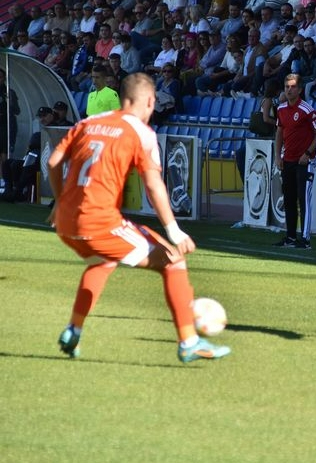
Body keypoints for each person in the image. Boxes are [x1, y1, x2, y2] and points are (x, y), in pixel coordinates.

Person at [47, 73, 230, 363]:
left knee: (102, 262)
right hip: (99, 223)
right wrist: (174, 230)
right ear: (148, 101)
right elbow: (154, 184)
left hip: (66, 223)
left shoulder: (88, 123)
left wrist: (59, 202)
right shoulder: (141, 133)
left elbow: (53, 161)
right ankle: (189, 342)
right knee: (173, 260)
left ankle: (73, 330)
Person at [273, 73, 316, 249]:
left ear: (300, 89)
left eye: (293, 86)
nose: (289, 89)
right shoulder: (280, 109)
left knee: (304, 200)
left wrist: (308, 153)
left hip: (305, 161)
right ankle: (290, 237)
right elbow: (279, 133)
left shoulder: (307, 110)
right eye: (287, 86)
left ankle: (305, 239)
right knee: (288, 199)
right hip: (287, 160)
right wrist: (277, 156)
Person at [1, 107, 51, 203]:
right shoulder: (40, 129)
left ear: (50, 115)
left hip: (45, 162)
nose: (42, 119)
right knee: (8, 163)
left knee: (31, 158)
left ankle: (18, 191)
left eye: (44, 116)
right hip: (34, 159)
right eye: (40, 117)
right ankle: (8, 189)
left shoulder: (57, 128)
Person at [0, 68, 20, 169]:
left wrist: (10, 103)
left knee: (5, 151)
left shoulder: (9, 92)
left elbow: (17, 111)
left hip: (6, 125)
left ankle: (4, 178)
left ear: (4, 78)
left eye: (0, 77)